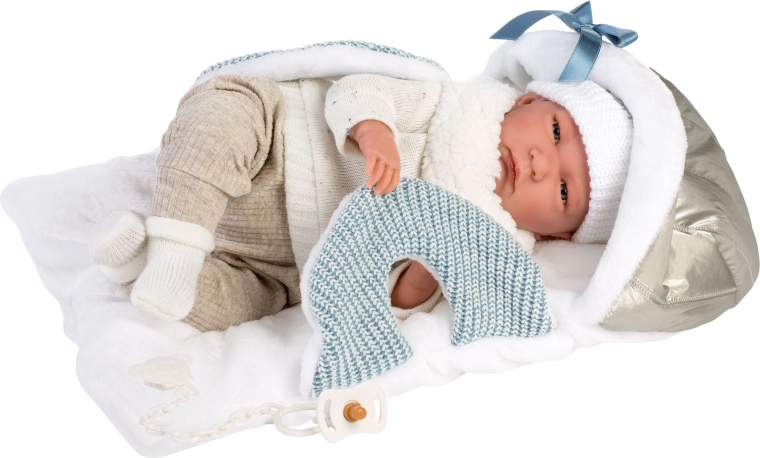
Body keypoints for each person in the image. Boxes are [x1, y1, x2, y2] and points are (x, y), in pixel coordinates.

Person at [90, 73, 632, 332]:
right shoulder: (445, 104)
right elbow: (355, 87)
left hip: (282, 266)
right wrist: (374, 129)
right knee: (227, 107)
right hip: (278, 146)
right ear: (531, 99)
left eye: (564, 190)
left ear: (557, 235)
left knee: (244, 305)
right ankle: (179, 241)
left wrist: (421, 277)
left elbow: (394, 306)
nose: (540, 163)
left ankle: (146, 266)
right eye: (555, 132)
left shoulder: (483, 246)